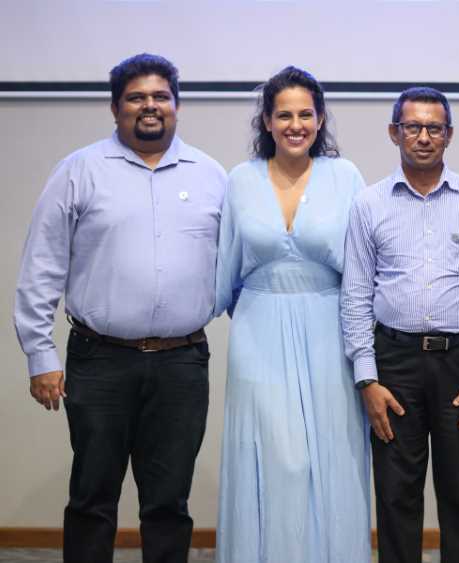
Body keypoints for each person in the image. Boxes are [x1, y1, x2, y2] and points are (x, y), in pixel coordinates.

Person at [13, 54, 226, 563]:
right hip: (99, 360)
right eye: (136, 97)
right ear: (115, 108)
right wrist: (40, 355)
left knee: (169, 502)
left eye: (160, 97)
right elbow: (41, 266)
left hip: (182, 363)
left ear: (177, 106)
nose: (149, 107)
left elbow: (237, 265)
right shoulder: (79, 171)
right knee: (92, 497)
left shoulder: (211, 176)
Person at [341, 87, 459, 563]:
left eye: (434, 128)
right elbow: (355, 296)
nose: (422, 137)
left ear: (449, 135)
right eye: (412, 127)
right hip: (393, 362)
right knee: (396, 497)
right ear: (394, 132)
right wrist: (367, 377)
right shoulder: (369, 204)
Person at [214, 66, 370, 563]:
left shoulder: (345, 177)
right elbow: (225, 269)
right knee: (272, 457)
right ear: (266, 120)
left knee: (330, 456)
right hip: (258, 331)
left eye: (306, 114)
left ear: (321, 120)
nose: (296, 124)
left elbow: (363, 268)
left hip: (330, 329)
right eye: (284, 114)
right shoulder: (238, 180)